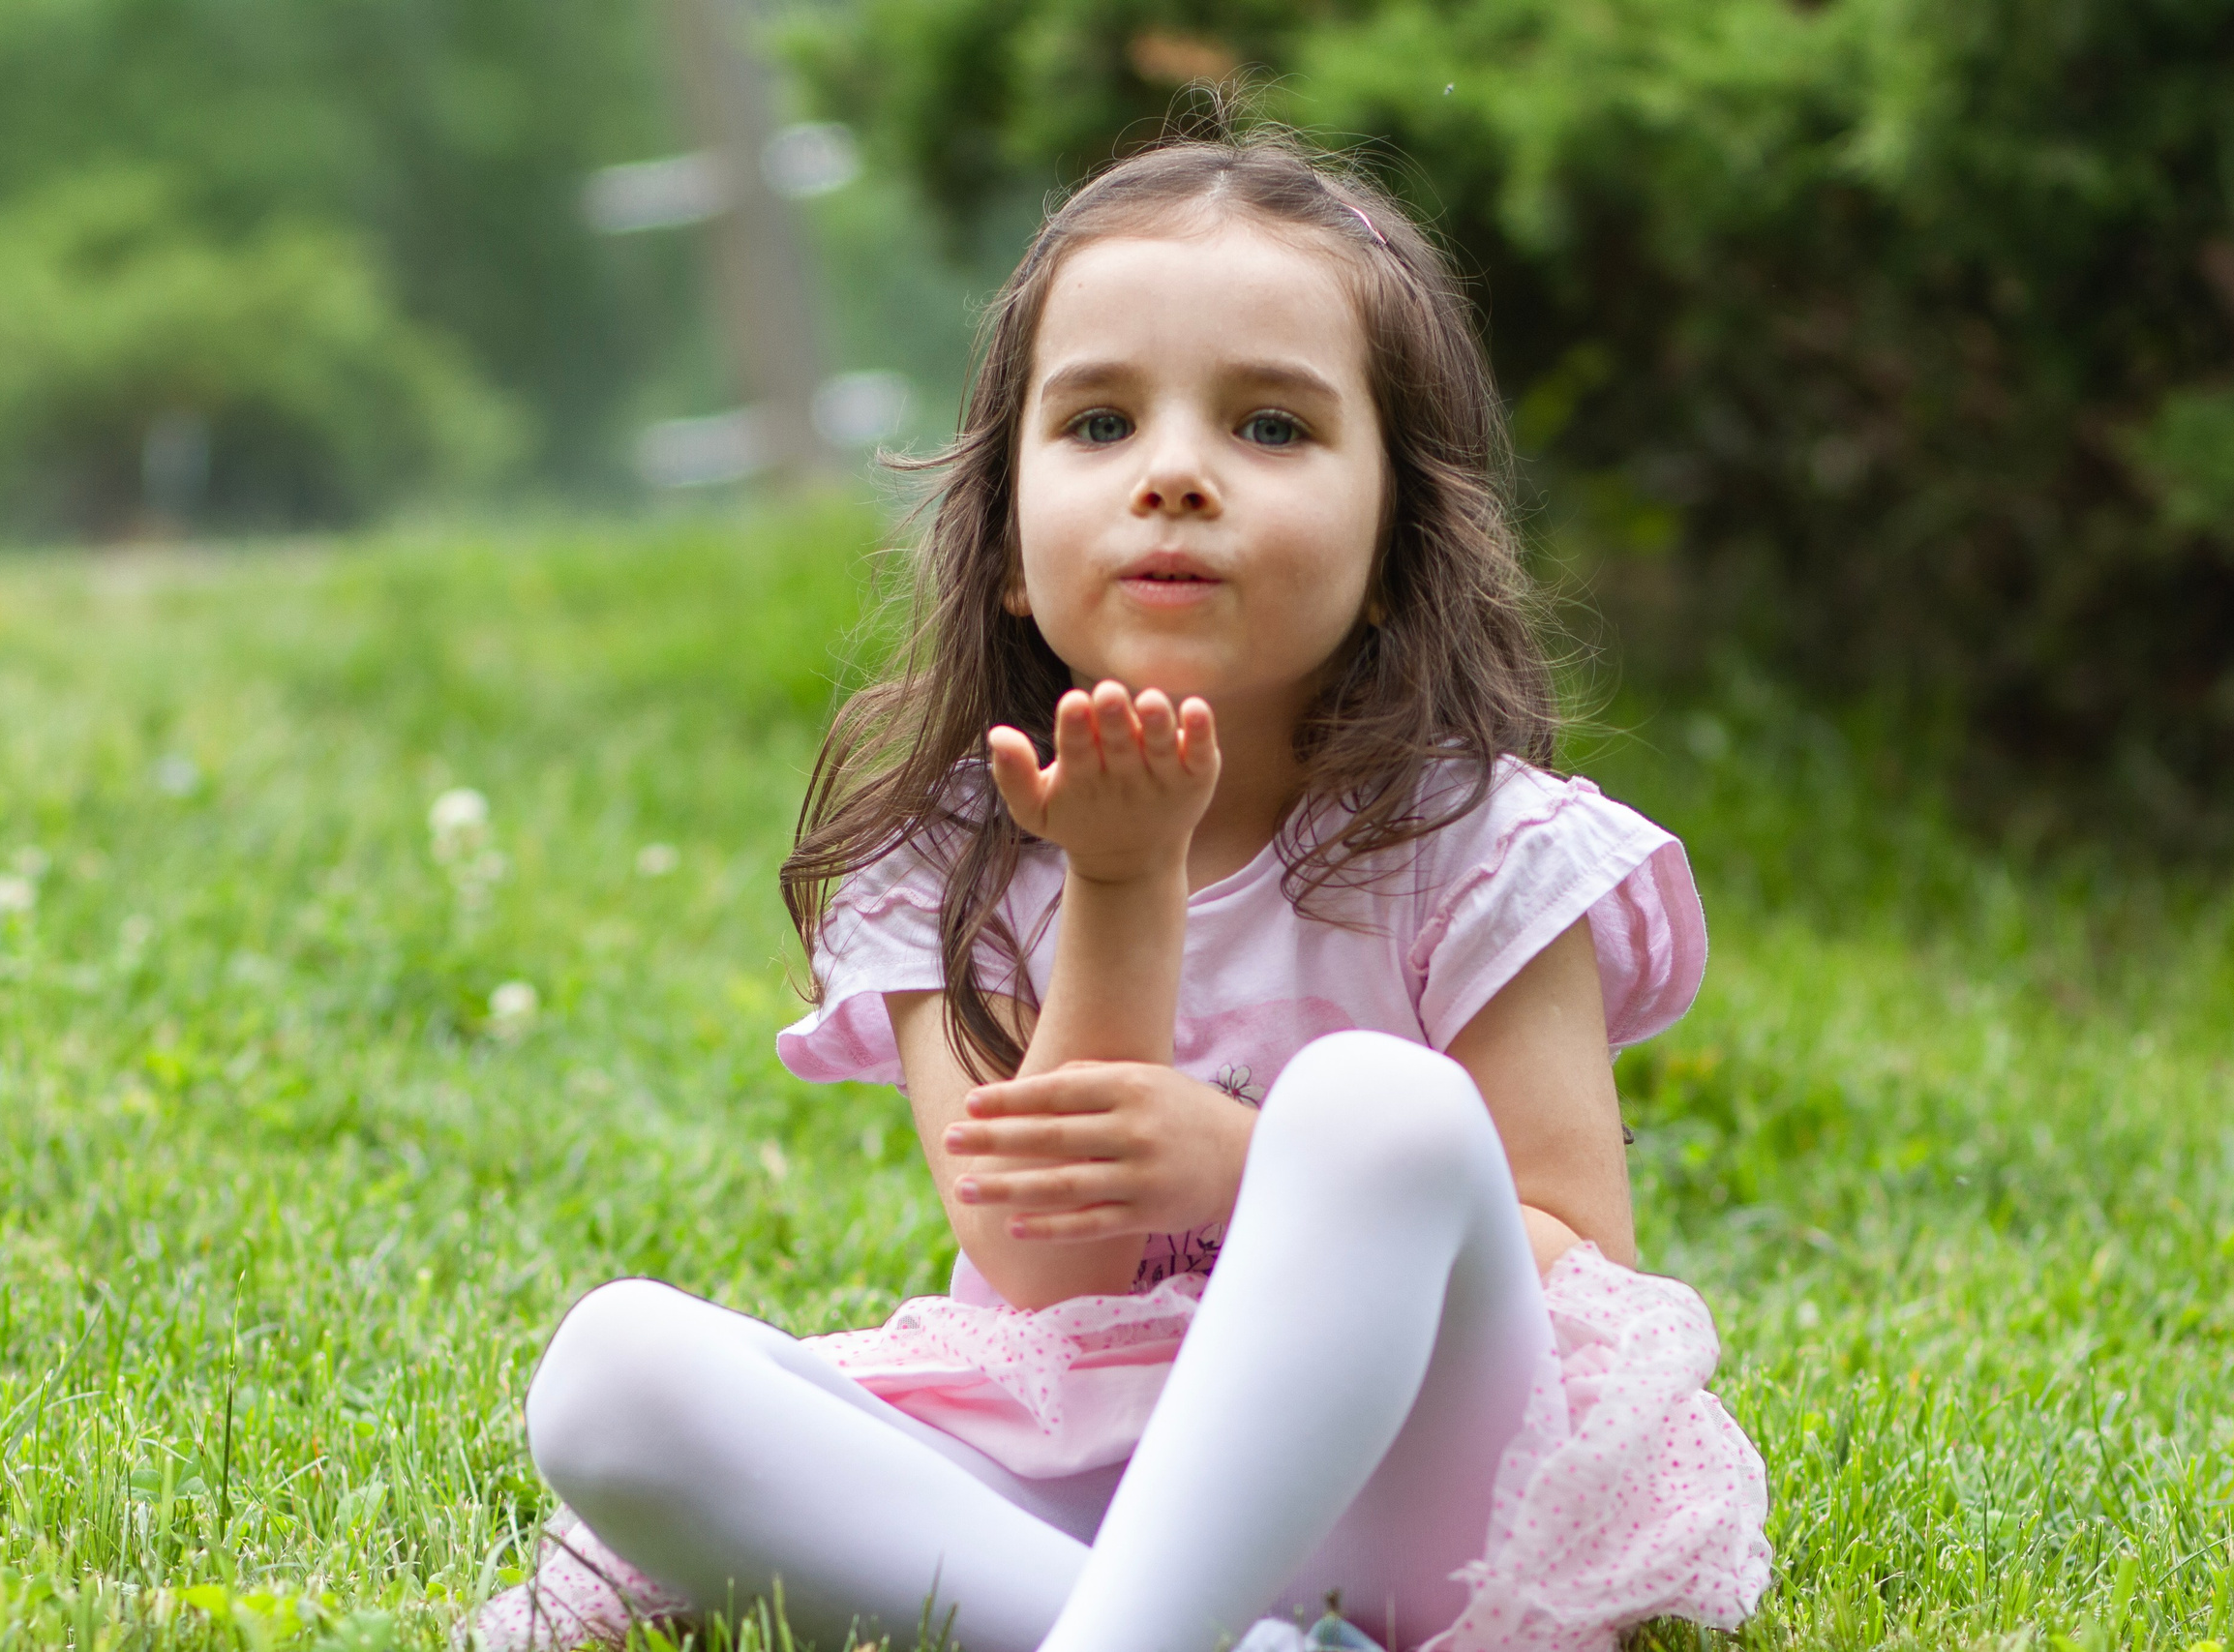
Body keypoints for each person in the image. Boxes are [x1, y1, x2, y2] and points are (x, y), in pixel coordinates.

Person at [473, 133, 1771, 1652]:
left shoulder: (1481, 845)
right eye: (1097, 422)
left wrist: (1246, 1161)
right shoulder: (951, 852)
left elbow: (1578, 1272)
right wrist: (1120, 879)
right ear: (1010, 545)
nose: (1172, 473)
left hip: (1413, 1503)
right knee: (613, 1373)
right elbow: (1039, 1258)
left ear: (1399, 537)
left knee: (1378, 1108)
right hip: (1070, 1479)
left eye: (1272, 426)